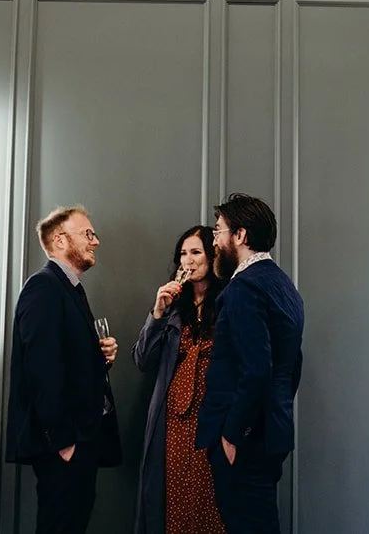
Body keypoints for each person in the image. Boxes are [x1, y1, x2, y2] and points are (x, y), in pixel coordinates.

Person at [7, 206, 123, 534]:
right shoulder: (43, 287)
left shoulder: (69, 287)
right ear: (60, 241)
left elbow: (64, 359)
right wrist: (63, 443)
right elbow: (41, 369)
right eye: (88, 234)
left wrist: (101, 358)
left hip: (82, 438)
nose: (95, 241)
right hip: (65, 442)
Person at [195, 193, 304, 534]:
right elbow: (291, 365)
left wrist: (233, 435)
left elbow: (257, 369)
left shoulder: (243, 288)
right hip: (272, 433)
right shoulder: (284, 286)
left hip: (244, 442)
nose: (214, 241)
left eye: (218, 231)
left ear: (240, 236)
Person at [132, 225, 228, 534]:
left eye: (196, 252)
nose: (188, 260)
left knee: (211, 498)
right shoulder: (174, 306)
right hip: (173, 421)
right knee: (174, 499)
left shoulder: (228, 301)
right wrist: (157, 313)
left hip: (212, 418)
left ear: (212, 256)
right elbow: (143, 360)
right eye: (183, 254)